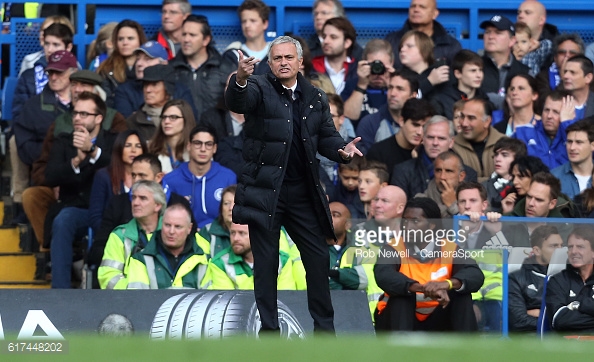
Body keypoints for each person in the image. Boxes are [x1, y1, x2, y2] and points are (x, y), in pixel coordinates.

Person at [225, 35, 362, 334]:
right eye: (278, 58)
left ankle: (325, 332)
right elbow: (237, 100)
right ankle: (270, 333)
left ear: (300, 62)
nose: (283, 62)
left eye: (289, 58)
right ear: (270, 63)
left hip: (302, 192)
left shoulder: (315, 96)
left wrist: (341, 150)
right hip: (265, 192)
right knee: (266, 265)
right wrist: (240, 78)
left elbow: (326, 135)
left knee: (317, 258)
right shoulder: (258, 87)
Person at [21, 70, 127, 250]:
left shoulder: (115, 119)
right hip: (66, 189)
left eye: (84, 86)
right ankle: (48, 253)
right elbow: (42, 166)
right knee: (32, 196)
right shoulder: (61, 123)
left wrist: (92, 151)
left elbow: (120, 159)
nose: (78, 90)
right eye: (74, 85)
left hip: (100, 189)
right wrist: (64, 172)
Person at [374, 197, 484, 331]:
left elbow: (475, 274)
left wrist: (446, 284)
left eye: (415, 221)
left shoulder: (449, 248)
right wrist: (423, 288)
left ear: (432, 225)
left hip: (438, 316)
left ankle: (468, 350)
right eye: (405, 221)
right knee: (402, 295)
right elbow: (384, 275)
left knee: (462, 295)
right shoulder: (393, 247)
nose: (407, 227)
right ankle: (400, 350)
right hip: (396, 319)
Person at [45, 91, 118, 288]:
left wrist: (92, 151)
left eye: (84, 114)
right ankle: (60, 292)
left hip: (107, 210)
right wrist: (77, 160)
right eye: (75, 113)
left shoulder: (112, 141)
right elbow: (49, 177)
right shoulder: (63, 141)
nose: (77, 118)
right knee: (63, 220)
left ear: (99, 118)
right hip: (76, 209)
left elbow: (118, 168)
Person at [11, 50, 77, 224]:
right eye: (50, 72)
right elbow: (24, 145)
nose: (54, 77)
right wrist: (51, 157)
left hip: (81, 176)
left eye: (59, 72)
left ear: (73, 72)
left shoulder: (86, 103)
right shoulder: (33, 106)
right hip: (45, 173)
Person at [162, 125, 236, 229]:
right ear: (189, 146)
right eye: (198, 143)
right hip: (183, 240)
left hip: (220, 239)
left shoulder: (228, 177)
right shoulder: (170, 180)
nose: (203, 149)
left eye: (208, 144)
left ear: (214, 148)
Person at [98, 180, 166, 289]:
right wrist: (133, 290)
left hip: (168, 302)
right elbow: (108, 276)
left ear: (157, 205)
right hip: (128, 302)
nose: (135, 203)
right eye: (134, 197)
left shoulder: (174, 234)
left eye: (142, 198)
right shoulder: (119, 236)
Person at [391, 115, 478, 200]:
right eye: (430, 137)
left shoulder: (468, 174)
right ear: (423, 139)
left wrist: (452, 204)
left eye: (441, 138)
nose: (435, 143)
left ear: (451, 142)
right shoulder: (402, 171)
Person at [127, 203, 210, 289]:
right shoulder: (140, 259)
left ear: (189, 228)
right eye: (167, 225)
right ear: (161, 224)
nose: (171, 231)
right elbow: (137, 299)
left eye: (178, 227)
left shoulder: (204, 260)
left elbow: (209, 299)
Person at [171, 15, 235, 120]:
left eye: (192, 35)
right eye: (184, 34)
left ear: (206, 40)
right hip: (182, 134)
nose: (186, 39)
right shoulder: (170, 69)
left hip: (215, 133)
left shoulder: (226, 69)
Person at [114, 41, 196, 119]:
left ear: (163, 64)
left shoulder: (180, 90)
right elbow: (125, 124)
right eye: (138, 59)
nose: (139, 64)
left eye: (147, 59)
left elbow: (190, 121)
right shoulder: (124, 91)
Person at [88, 130, 147, 238]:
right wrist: (116, 237)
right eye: (128, 145)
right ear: (119, 149)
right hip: (111, 237)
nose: (133, 150)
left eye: (138, 146)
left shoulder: (149, 177)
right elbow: (95, 218)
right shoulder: (103, 176)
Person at [203, 222, 295, 290]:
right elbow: (227, 304)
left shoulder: (281, 261)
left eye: (242, 233)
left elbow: (286, 300)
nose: (235, 238)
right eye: (233, 233)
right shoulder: (219, 263)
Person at [12, 23, 74, 123]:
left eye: (56, 45)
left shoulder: (76, 74)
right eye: (47, 44)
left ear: (68, 47)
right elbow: (19, 114)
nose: (49, 50)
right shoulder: (28, 77)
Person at [509, 225, 563, 332]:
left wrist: (540, 314)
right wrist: (554, 321)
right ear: (537, 251)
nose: (560, 251)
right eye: (554, 246)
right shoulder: (516, 278)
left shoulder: (571, 276)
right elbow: (518, 321)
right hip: (531, 340)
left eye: (561, 246)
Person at [366, 98, 434, 178]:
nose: (419, 132)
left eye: (424, 126)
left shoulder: (430, 153)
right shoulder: (378, 153)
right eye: (415, 125)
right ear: (401, 121)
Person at [356, 69, 418, 155]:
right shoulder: (370, 123)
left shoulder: (422, 124)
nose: (392, 93)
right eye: (390, 88)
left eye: (400, 89)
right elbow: (365, 162)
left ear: (413, 95)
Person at [384, 0, 461, 69]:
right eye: (413, 6)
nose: (416, 10)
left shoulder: (450, 45)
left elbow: (455, 79)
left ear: (435, 14)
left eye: (422, 7)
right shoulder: (391, 41)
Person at [513, 90, 578, 170]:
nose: (549, 116)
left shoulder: (577, 139)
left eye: (556, 112)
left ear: (568, 115)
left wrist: (567, 124)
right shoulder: (523, 134)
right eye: (546, 110)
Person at [547, 226, 594, 333]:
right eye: (570, 247)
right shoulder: (558, 281)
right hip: (567, 345)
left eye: (580, 247)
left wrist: (578, 304)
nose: (573, 251)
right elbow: (559, 320)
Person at [479, 15, 530, 110]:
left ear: (512, 41)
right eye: (487, 32)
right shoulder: (473, 67)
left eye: (498, 33)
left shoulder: (525, 72)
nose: (491, 37)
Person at [341, 39, 395, 125]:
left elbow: (403, 118)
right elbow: (347, 117)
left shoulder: (401, 86)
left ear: (392, 63)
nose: (377, 72)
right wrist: (361, 85)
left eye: (382, 66)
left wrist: (392, 86)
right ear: (363, 62)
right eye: (373, 66)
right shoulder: (352, 85)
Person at [97, 20, 147, 108]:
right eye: (120, 39)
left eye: (130, 38)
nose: (125, 43)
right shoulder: (106, 69)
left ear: (140, 40)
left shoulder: (150, 66)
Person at [453, 98, 505, 182]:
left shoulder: (506, 144)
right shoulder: (452, 146)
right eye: (462, 116)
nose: (463, 123)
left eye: (471, 118)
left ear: (487, 121)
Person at [429, 49, 487, 120]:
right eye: (473, 71)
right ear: (458, 74)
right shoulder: (441, 101)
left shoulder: (485, 101)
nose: (479, 75)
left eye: (480, 70)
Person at [125, 64, 176, 142]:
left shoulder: (183, 118)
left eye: (154, 85)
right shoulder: (132, 122)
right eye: (145, 85)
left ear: (167, 87)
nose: (148, 90)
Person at [223, 0, 271, 75]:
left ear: (265, 24)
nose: (247, 25)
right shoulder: (232, 54)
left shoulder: (276, 52)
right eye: (244, 21)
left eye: (253, 21)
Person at [311, 17, 357, 95]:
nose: (325, 41)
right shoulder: (311, 67)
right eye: (324, 36)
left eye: (333, 37)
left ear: (347, 43)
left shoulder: (358, 71)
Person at [148, 99, 196, 173]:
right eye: (164, 117)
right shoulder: (150, 148)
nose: (166, 121)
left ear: (186, 120)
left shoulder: (199, 148)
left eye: (173, 117)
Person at [399, 30, 449, 98]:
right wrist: (429, 82)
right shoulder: (399, 76)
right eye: (401, 46)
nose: (402, 49)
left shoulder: (441, 72)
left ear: (424, 50)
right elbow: (401, 100)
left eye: (409, 46)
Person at [415, 150, 467, 218]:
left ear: (461, 176)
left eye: (448, 171)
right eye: (438, 170)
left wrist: (453, 205)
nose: (442, 177)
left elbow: (471, 227)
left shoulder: (473, 198)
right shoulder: (420, 201)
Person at [481, 138, 527, 213]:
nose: (497, 159)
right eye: (496, 154)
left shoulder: (526, 186)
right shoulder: (482, 187)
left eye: (504, 155)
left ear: (518, 159)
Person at [551, 120, 594, 199]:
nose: (572, 147)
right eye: (569, 142)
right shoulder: (553, 177)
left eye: (579, 142)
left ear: (592, 145)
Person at [535, 33, 585, 98]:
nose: (567, 56)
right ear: (555, 58)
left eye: (572, 53)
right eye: (562, 53)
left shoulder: (589, 77)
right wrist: (564, 78)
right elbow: (547, 104)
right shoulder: (542, 78)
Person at [199, 185, 236, 257]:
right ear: (221, 208)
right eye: (227, 203)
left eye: (236, 203)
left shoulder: (254, 233)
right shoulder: (207, 231)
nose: (231, 208)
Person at [562, 55, 594, 120]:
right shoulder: (556, 101)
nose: (565, 76)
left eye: (572, 72)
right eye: (565, 72)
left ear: (588, 78)